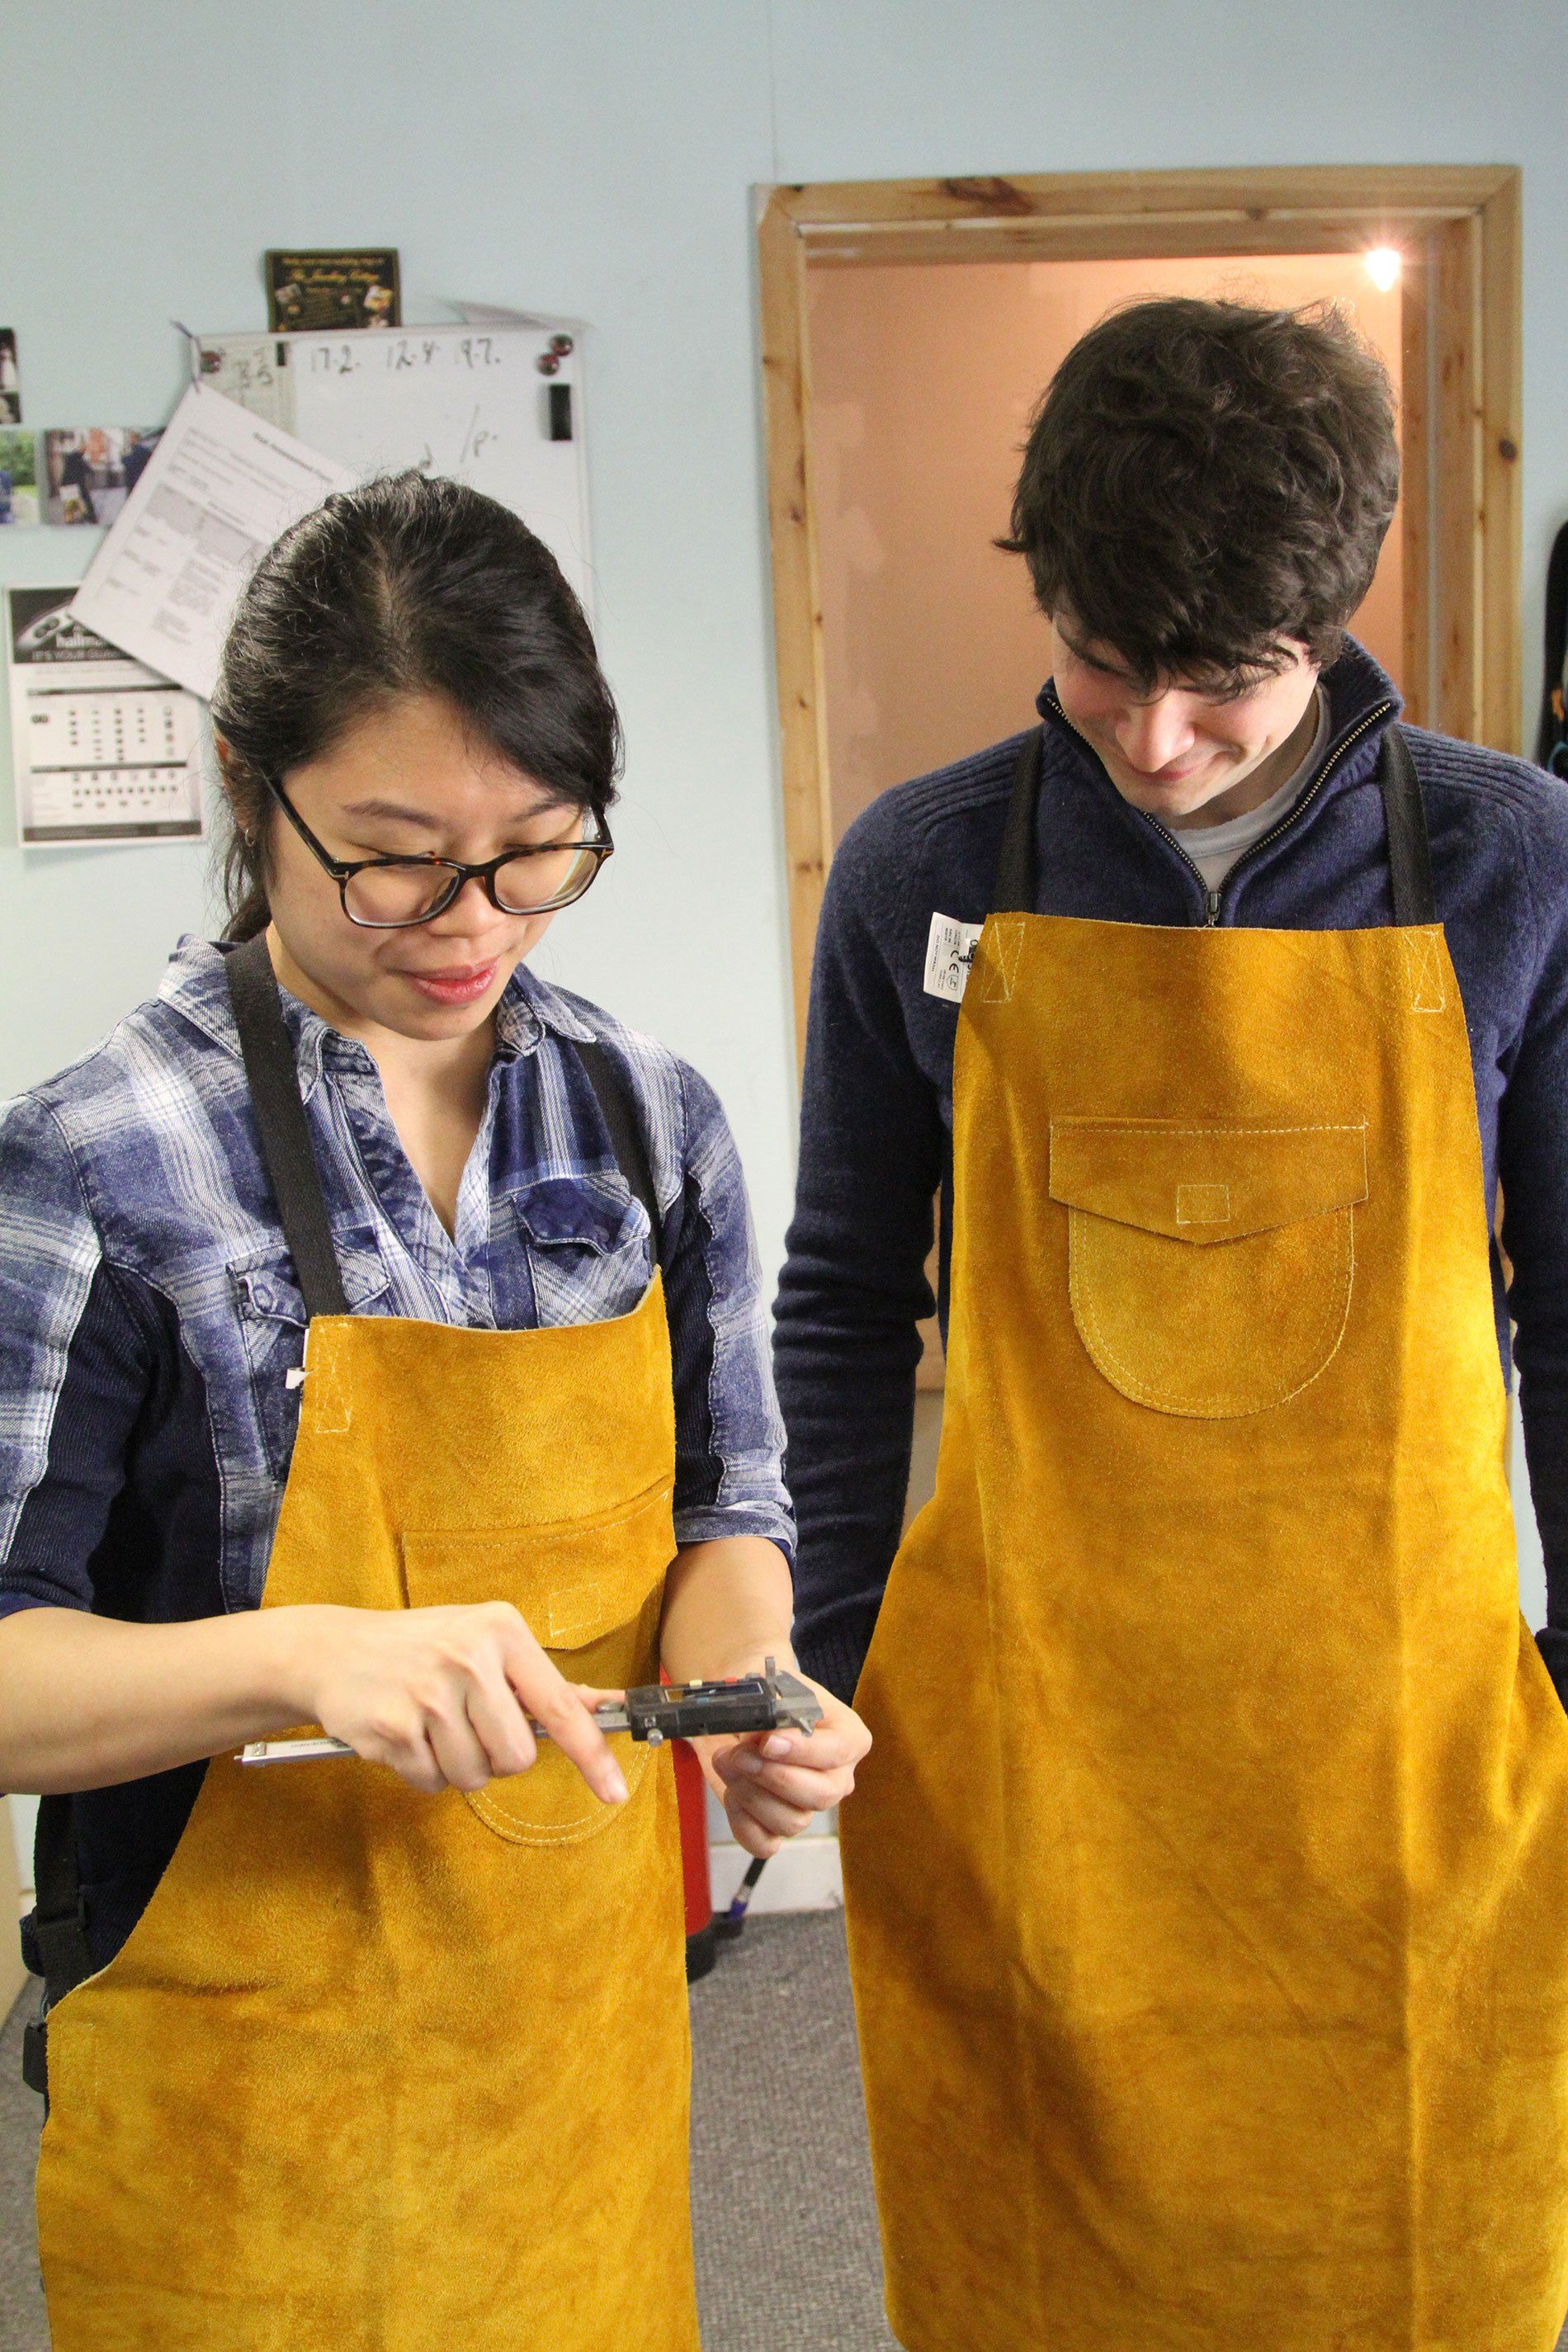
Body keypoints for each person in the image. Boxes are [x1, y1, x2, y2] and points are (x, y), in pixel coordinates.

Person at [0, 471, 869, 2352]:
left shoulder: (648, 1120)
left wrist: (747, 1690)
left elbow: (728, 1505)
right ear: (250, 790)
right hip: (246, 2090)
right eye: (391, 857)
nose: (470, 923)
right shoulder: (102, 1160)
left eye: (536, 850)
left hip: (572, 2054)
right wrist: (300, 1658)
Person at [773, 297, 1568, 2351]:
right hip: (1042, 1724)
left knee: (1417, 2251)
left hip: (1390, 1728)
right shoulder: (920, 870)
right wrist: (833, 1652)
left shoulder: (1505, 860)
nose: (1150, 739)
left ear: (1332, 618)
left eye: (1223, 681)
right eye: (1102, 663)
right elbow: (843, 1297)